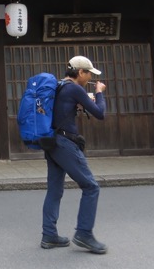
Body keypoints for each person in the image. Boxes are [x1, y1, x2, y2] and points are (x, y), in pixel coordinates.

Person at [40, 55, 108, 254]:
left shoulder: (61, 86)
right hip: (65, 143)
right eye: (89, 74)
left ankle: (49, 235)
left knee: (54, 190)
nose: (90, 78)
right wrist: (99, 92)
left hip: (52, 143)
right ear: (80, 72)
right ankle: (84, 233)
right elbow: (100, 113)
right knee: (91, 186)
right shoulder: (76, 88)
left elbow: (61, 110)